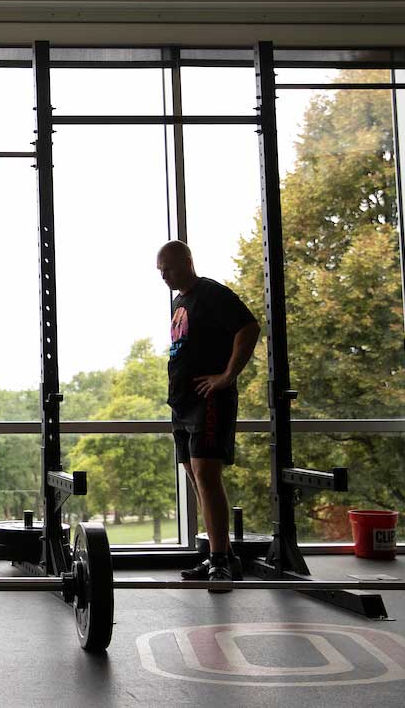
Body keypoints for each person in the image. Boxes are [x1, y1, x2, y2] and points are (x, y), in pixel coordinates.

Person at [156, 240, 259, 591]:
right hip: (182, 404)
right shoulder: (179, 303)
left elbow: (248, 327)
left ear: (187, 261)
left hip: (209, 401)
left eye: (168, 269)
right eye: (160, 272)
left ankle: (219, 563)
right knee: (197, 481)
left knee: (207, 478)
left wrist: (227, 376)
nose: (164, 277)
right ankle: (224, 556)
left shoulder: (211, 292)